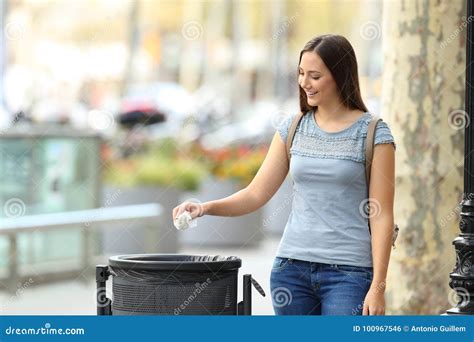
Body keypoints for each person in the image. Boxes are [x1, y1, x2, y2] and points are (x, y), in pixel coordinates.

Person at [173, 34, 395, 316]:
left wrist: (378, 286)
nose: (304, 83)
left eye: (315, 75)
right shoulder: (293, 128)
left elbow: (382, 214)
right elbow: (255, 194)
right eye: (301, 73)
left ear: (340, 76)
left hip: (349, 275)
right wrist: (204, 208)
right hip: (291, 271)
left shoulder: (374, 133)